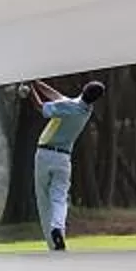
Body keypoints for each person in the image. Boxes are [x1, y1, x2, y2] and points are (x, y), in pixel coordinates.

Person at [25, 78, 107, 250]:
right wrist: (36, 83)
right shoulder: (85, 109)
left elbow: (41, 107)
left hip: (45, 155)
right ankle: (58, 230)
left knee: (43, 201)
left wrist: (28, 92)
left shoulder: (70, 106)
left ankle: (52, 245)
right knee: (59, 199)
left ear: (83, 88)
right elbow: (56, 97)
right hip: (63, 160)